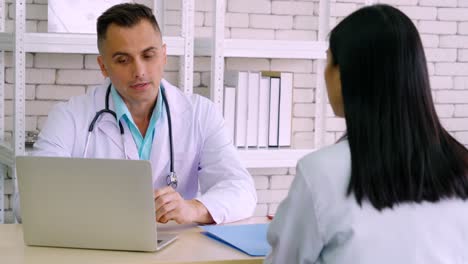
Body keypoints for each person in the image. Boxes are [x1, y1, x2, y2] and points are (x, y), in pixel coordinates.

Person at [266, 4, 468, 264]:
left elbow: (284, 260)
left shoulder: (321, 172)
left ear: (346, 73)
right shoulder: (461, 165)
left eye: (328, 62)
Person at [28, 3, 257, 225]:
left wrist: (193, 208)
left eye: (148, 56)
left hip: (176, 248)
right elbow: (28, 202)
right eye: (123, 60)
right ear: (103, 66)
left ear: (164, 55)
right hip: (97, 247)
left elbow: (241, 190)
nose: (139, 72)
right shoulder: (69, 117)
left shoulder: (200, 113)